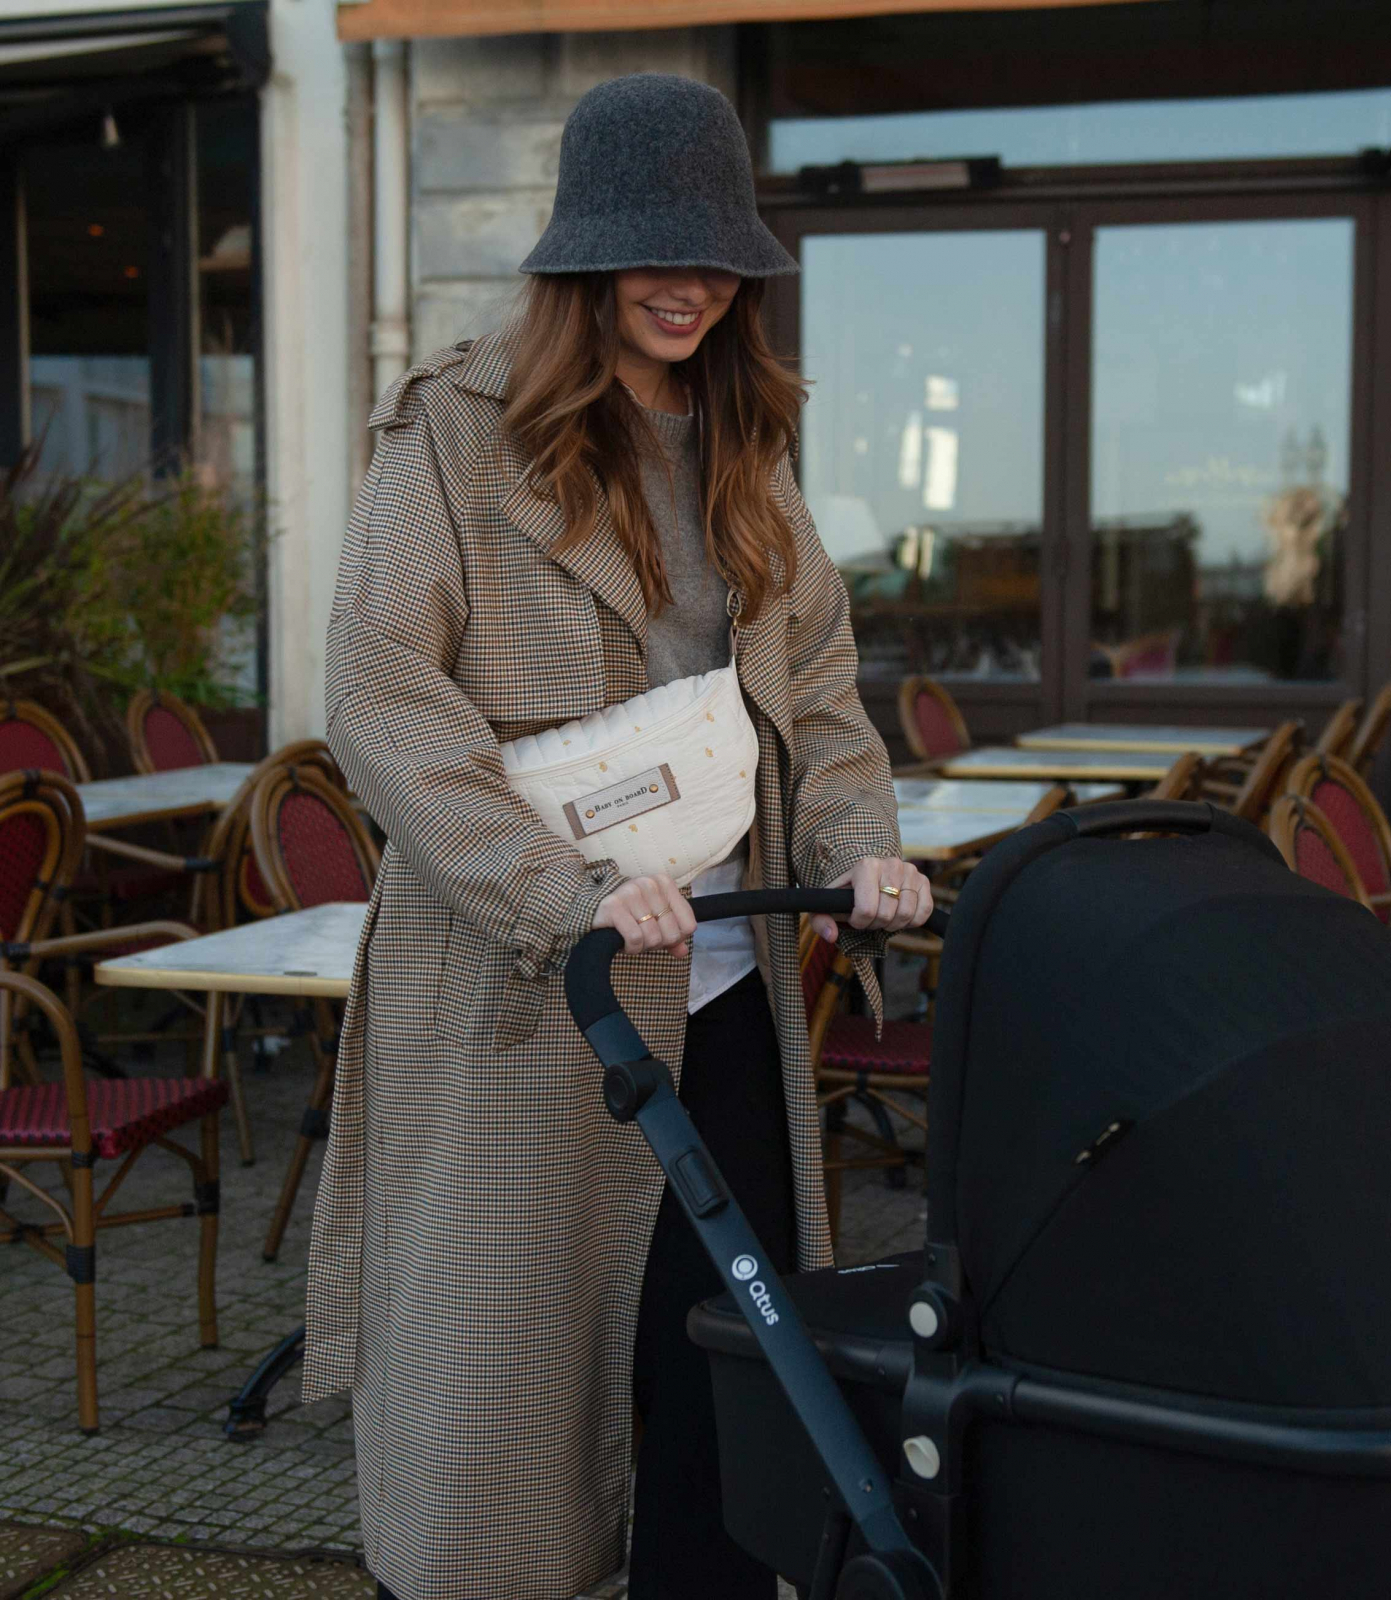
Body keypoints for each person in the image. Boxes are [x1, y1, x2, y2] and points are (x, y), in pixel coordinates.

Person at [305, 72, 933, 1600]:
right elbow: (381, 699)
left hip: (723, 993)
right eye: (655, 248)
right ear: (581, 253)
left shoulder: (747, 445)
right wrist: (561, 890)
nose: (688, 284)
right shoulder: (456, 434)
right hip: (529, 997)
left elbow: (822, 698)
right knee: (494, 1404)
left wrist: (859, 847)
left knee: (735, 1383)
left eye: (716, 254)